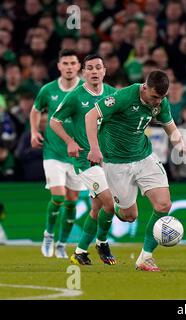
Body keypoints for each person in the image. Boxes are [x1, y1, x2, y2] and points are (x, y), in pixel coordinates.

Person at [84, 70, 186, 271]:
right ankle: (111, 207)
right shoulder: (124, 97)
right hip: (116, 163)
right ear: (144, 87)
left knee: (163, 205)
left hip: (145, 157)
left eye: (161, 98)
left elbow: (171, 128)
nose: (157, 102)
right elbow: (91, 115)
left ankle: (145, 257)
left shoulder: (160, 103)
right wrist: (94, 148)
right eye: (154, 97)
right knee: (129, 216)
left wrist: (181, 145)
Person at [50, 54, 117, 265]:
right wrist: (69, 141)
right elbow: (54, 121)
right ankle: (103, 242)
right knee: (110, 203)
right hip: (85, 160)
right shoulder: (76, 96)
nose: (95, 71)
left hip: (108, 158)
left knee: (97, 208)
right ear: (84, 73)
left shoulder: (113, 94)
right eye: (90, 68)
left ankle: (80, 252)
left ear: (105, 70)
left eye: (98, 67)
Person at [29, 49, 85, 259]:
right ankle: (48, 235)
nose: (69, 67)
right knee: (59, 197)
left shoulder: (86, 89)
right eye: (65, 63)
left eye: (73, 63)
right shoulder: (48, 89)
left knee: (72, 201)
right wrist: (34, 131)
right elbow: (36, 110)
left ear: (78, 66)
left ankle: (62, 243)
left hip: (79, 155)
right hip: (53, 152)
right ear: (59, 66)